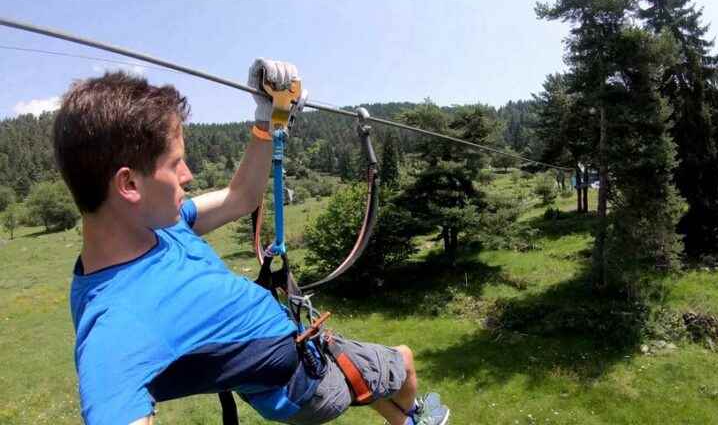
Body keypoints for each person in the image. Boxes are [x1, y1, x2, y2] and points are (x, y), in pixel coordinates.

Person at [55, 59, 450, 425]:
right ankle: (419, 417)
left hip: (304, 349)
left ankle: (403, 421)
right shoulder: (116, 326)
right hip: (306, 384)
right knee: (403, 361)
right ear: (129, 184)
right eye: (175, 163)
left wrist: (268, 119)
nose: (189, 175)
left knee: (367, 373)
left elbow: (240, 198)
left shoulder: (156, 226)